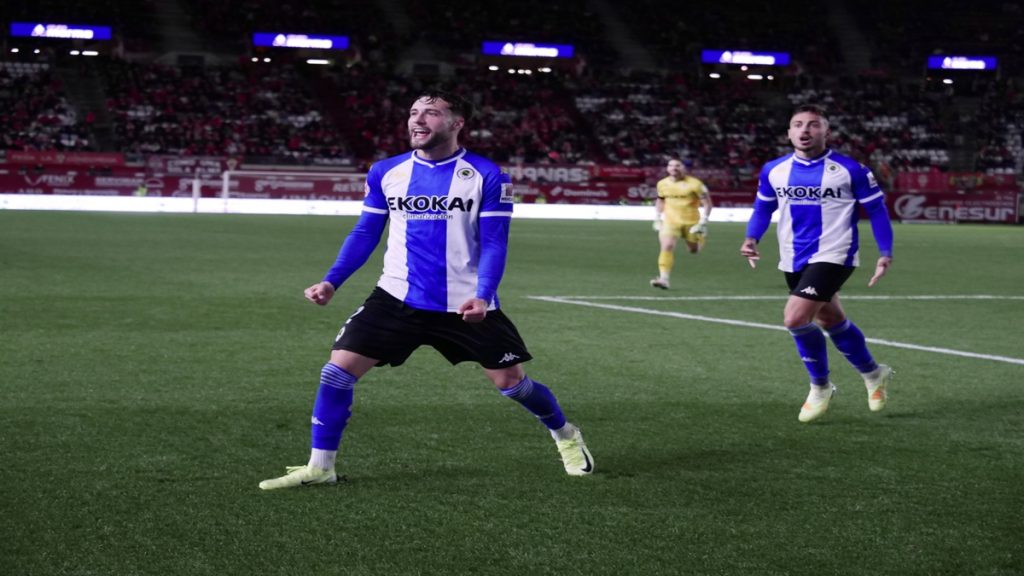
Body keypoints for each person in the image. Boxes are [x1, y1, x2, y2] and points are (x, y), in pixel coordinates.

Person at [259, 90, 594, 490]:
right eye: (414, 112)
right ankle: (321, 467)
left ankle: (565, 434)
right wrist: (332, 280)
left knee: (512, 384)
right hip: (396, 297)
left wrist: (483, 295)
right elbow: (365, 232)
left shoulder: (487, 175)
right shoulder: (386, 171)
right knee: (337, 371)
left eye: (431, 113)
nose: (417, 120)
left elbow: (494, 243)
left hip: (465, 303)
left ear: (456, 123)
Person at [739, 104, 895, 423]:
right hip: (793, 255)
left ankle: (820, 386)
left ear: (827, 131)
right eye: (798, 124)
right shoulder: (774, 170)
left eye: (813, 124)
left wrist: (885, 252)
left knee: (795, 318)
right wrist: (751, 238)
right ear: (789, 132)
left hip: (835, 253)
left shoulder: (851, 169)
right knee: (830, 318)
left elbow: (877, 210)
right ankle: (873, 373)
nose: (805, 130)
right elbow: (763, 208)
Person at [650, 158, 713, 289]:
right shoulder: (662, 184)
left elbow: (707, 203)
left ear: (684, 168)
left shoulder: (695, 184)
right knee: (667, 246)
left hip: (692, 223)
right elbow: (660, 200)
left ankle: (700, 238)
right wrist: (657, 217)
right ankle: (663, 279)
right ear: (667, 168)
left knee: (693, 250)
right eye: (671, 165)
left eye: (677, 165)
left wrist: (703, 221)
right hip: (670, 222)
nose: (674, 168)